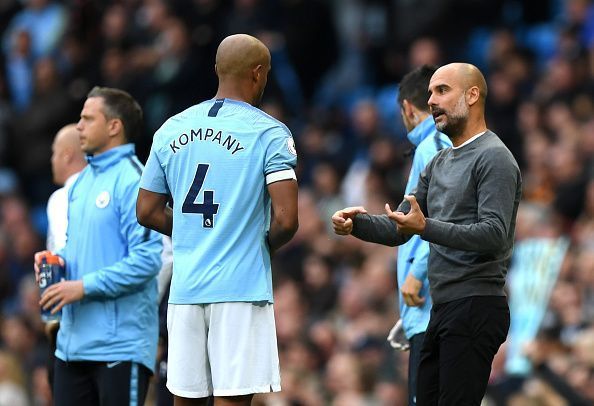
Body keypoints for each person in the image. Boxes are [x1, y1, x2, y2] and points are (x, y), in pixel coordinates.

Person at [332, 63, 522, 405]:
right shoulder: (439, 162)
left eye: (442, 91)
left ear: (473, 95)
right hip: (444, 308)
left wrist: (427, 227)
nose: (431, 100)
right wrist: (356, 225)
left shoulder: (495, 158)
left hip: (476, 304)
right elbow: (401, 226)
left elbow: (494, 234)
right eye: (431, 92)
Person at [136, 33, 299, 406]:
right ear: (258, 74)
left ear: (216, 70)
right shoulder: (269, 133)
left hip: (185, 291)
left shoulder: (171, 129)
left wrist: (194, 234)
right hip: (240, 290)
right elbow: (288, 220)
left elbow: (145, 210)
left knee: (185, 400)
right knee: (233, 400)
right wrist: (256, 243)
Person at [33, 86, 163, 406]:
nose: (78, 126)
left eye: (87, 119)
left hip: (120, 347)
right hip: (71, 348)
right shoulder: (80, 184)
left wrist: (84, 287)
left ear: (114, 126)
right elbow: (80, 249)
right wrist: (57, 261)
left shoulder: (136, 180)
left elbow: (148, 259)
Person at [386, 65, 451, 405]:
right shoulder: (438, 143)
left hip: (433, 303)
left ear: (408, 109)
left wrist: (416, 274)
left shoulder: (435, 144)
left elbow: (441, 217)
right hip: (425, 309)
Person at [44, 123, 87, 390]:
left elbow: (64, 256)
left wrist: (51, 318)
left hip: (77, 322)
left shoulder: (62, 197)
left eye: (54, 153)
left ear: (68, 155)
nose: (51, 160)